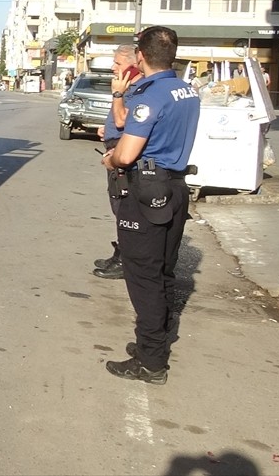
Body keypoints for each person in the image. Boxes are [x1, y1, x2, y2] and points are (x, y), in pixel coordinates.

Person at [100, 26, 200, 385]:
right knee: (163, 272)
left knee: (143, 277)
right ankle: (150, 344)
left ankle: (152, 362)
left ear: (140, 56)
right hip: (175, 186)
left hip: (147, 190)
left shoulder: (150, 96)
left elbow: (126, 154)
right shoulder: (186, 90)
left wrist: (111, 160)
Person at [91, 43, 144, 280]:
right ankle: (121, 253)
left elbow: (123, 121)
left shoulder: (134, 90)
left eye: (118, 63)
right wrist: (107, 130)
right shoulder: (130, 89)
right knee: (119, 209)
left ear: (133, 67)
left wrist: (117, 94)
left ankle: (126, 261)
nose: (113, 68)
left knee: (125, 210)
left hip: (123, 159)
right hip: (114, 151)